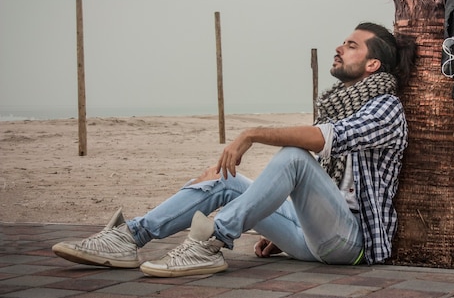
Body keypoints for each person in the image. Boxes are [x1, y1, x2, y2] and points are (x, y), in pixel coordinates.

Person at [52, 22, 416, 277]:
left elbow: (322, 140)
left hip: (351, 244)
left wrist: (251, 134)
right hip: (317, 236)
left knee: (293, 156)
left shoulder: (385, 107)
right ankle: (130, 237)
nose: (339, 48)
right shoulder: (342, 102)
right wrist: (297, 225)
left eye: (351, 45)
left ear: (373, 64)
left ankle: (210, 243)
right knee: (226, 180)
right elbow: (320, 187)